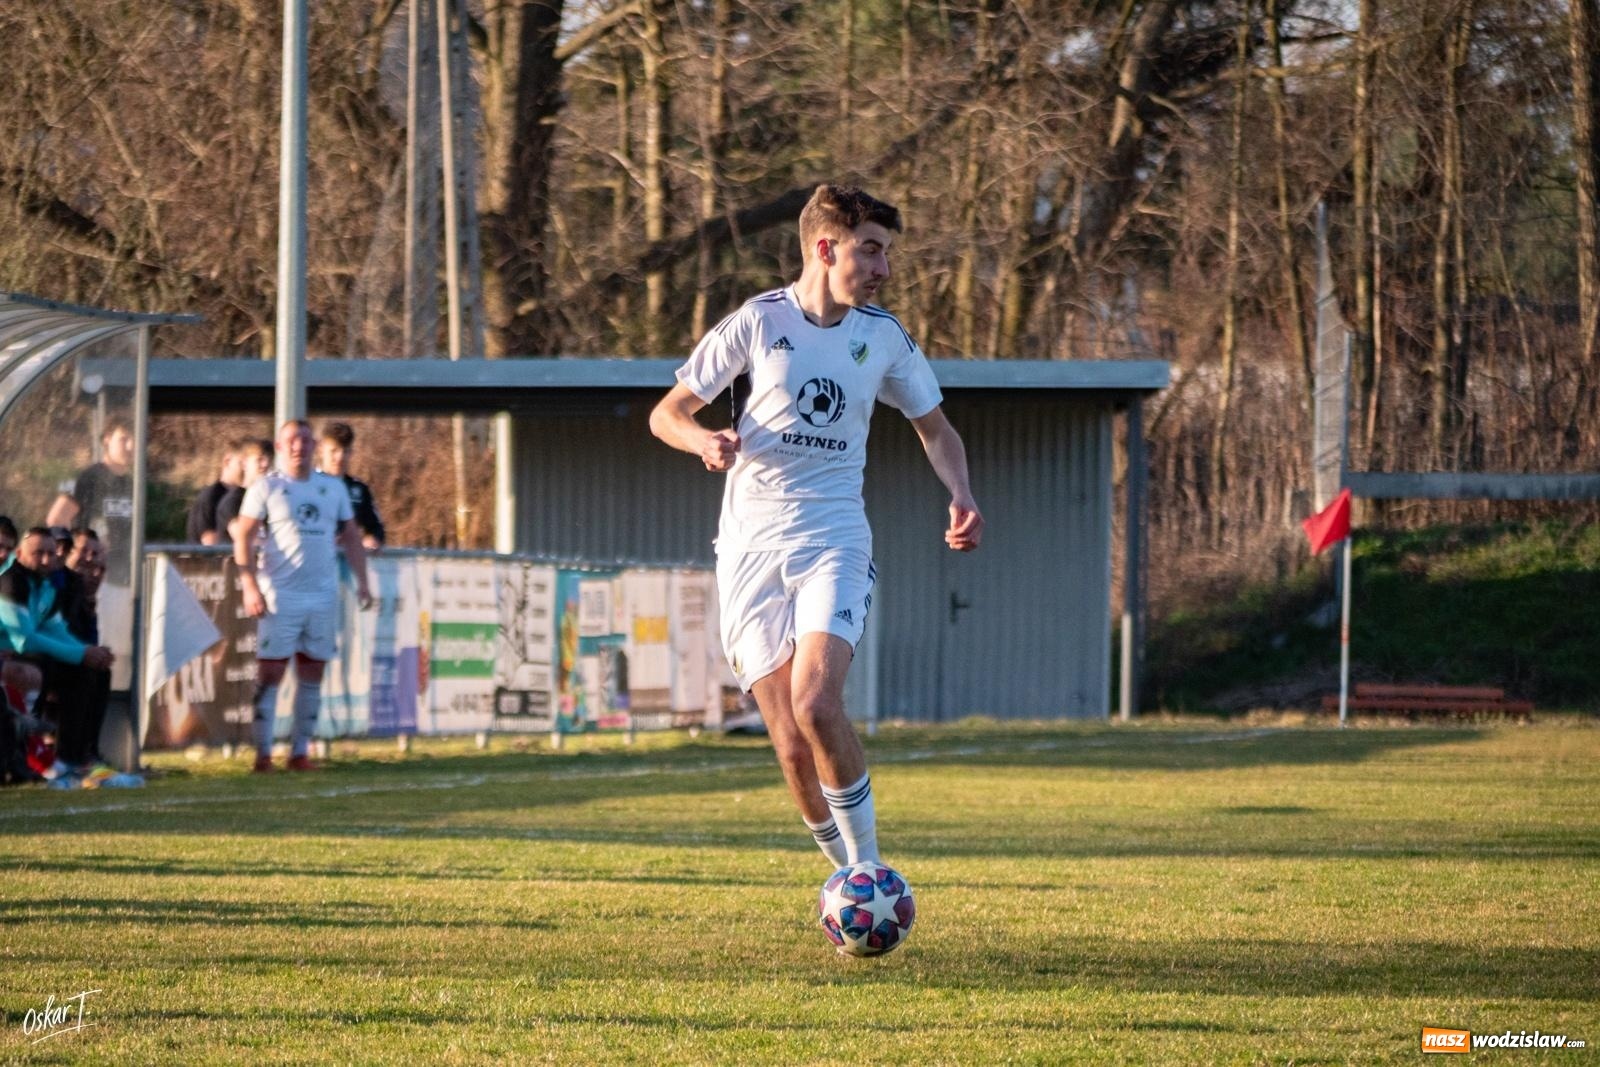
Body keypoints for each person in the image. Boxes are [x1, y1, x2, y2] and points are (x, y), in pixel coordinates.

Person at [649, 184, 983, 875]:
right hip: (749, 548)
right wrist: (702, 441)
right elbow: (668, 412)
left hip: (834, 537)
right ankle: (841, 875)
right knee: (792, 744)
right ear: (825, 248)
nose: (885, 269)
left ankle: (868, 872)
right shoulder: (756, 322)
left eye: (887, 253)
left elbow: (936, 427)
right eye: (872, 250)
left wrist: (961, 491)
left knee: (817, 702)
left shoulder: (882, 336)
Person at [233, 419, 372, 772]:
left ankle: (299, 753)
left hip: (322, 596)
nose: (299, 446)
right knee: (270, 674)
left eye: (306, 441)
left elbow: (352, 537)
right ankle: (263, 755)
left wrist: (363, 582)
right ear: (280, 447)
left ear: (315, 447)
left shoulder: (333, 488)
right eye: (292, 440)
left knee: (312, 673)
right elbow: (244, 536)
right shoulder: (267, 487)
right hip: (280, 596)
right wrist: (249, 584)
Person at [0, 528, 115, 780]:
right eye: (38, 553)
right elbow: (24, 640)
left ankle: (74, 758)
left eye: (51, 553)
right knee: (42, 670)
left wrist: (87, 652)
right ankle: (25, 755)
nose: (45, 560)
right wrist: (79, 655)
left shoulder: (47, 585)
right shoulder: (10, 582)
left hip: (24, 654)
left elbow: (56, 628)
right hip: (10, 656)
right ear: (19, 554)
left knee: (93, 672)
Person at [46, 422, 134, 687]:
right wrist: (75, 554)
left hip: (126, 576)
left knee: (123, 649)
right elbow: (56, 520)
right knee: (99, 644)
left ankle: (117, 694)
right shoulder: (91, 477)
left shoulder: (133, 480)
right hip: (97, 580)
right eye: (123, 438)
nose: (130, 446)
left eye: (134, 439)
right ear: (106, 439)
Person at [316, 422, 386, 551]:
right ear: (321, 450)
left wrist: (372, 539)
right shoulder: (307, 485)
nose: (340, 457)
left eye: (345, 451)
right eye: (334, 451)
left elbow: (377, 527)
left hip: (346, 565)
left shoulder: (359, 489)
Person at [186, 439, 245, 545]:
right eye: (242, 463)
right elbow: (209, 543)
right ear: (227, 461)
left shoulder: (245, 495)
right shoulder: (211, 497)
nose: (246, 468)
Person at [215, 437, 274, 542]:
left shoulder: (272, 499)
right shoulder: (233, 501)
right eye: (259, 459)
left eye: (269, 460)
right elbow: (244, 538)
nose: (265, 465)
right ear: (244, 463)